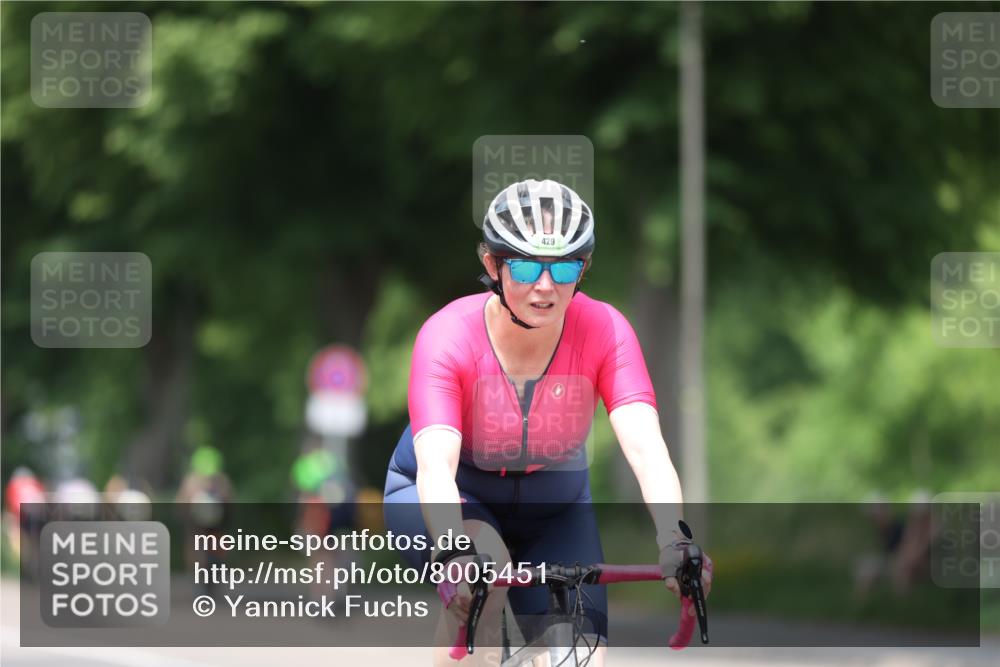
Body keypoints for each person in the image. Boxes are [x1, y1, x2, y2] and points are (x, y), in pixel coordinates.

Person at [384, 179, 711, 666]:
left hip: (554, 506)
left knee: (582, 658)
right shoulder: (448, 335)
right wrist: (453, 550)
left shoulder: (606, 330)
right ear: (492, 265)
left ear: (584, 268)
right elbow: (437, 466)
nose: (545, 285)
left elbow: (646, 447)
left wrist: (674, 537)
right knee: (483, 585)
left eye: (563, 267)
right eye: (525, 265)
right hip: (453, 493)